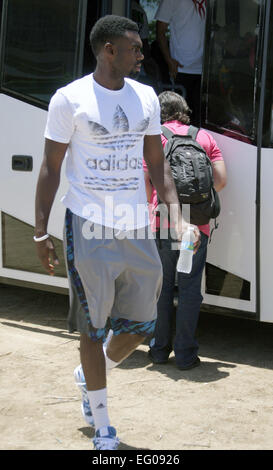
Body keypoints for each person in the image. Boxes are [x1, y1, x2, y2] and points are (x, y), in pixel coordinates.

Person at [34, 15, 199, 451]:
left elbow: (156, 166)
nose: (142, 54)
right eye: (134, 48)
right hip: (88, 225)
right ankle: (104, 429)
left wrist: (177, 215)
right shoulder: (69, 100)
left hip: (137, 227)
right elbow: (51, 168)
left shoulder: (145, 97)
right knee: (92, 326)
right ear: (109, 50)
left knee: (142, 325)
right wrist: (39, 232)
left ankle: (89, 375)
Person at [146, 91, 227, 370]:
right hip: (196, 226)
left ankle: (158, 350)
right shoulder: (204, 138)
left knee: (163, 287)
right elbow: (221, 180)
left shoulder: (156, 139)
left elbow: (148, 185)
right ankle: (185, 355)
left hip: (165, 222)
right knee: (191, 288)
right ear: (184, 110)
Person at [155, 0, 207, 126]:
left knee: (200, 119)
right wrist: (169, 61)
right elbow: (160, 31)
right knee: (179, 118)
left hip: (205, 69)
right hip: (181, 68)